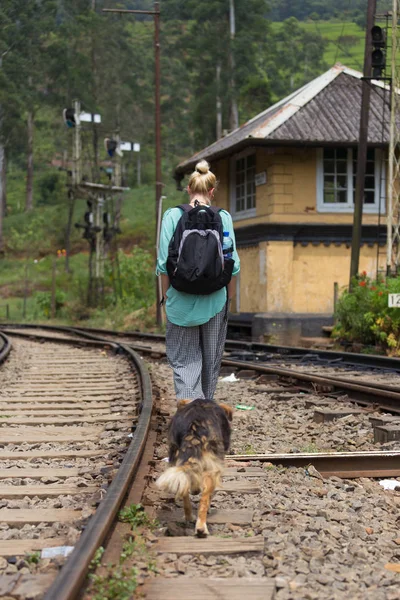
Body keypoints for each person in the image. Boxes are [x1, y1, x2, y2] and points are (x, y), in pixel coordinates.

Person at [157, 160, 240, 402]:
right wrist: (228, 301)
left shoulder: (172, 215)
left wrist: (165, 297)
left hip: (180, 299)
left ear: (188, 188)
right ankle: (204, 412)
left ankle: (189, 409)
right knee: (210, 362)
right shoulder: (223, 217)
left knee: (184, 361)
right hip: (215, 301)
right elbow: (233, 264)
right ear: (212, 191)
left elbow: (163, 264)